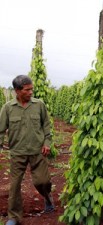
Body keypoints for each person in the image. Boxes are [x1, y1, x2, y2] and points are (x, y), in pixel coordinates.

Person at [0, 75, 54, 225]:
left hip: (37, 151)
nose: (31, 92)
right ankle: (14, 217)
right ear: (17, 91)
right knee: (15, 186)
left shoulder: (39, 105)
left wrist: (47, 143)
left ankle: (48, 198)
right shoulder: (8, 108)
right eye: (27, 89)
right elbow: (1, 130)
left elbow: (46, 126)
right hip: (17, 153)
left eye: (32, 89)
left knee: (43, 181)